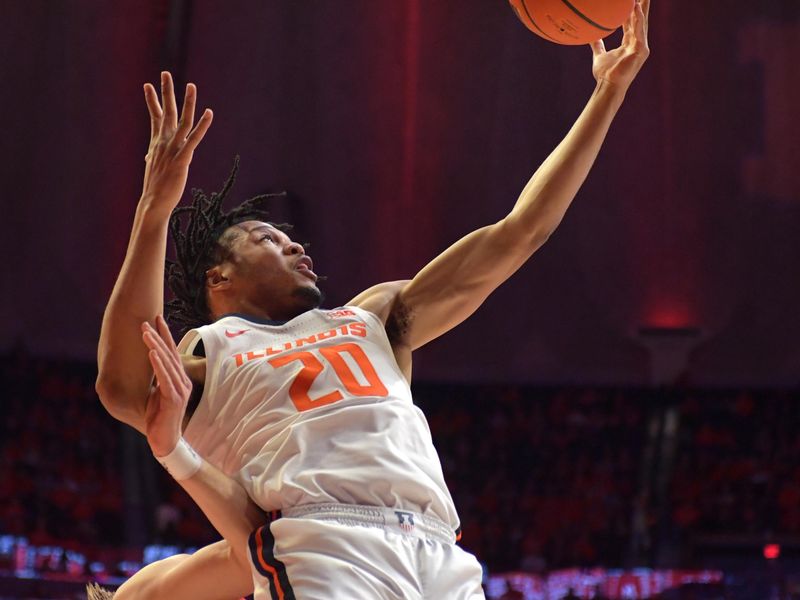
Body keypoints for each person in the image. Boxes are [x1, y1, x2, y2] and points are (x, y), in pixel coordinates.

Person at [94, 1, 650, 598]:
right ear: (219, 280)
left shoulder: (374, 317)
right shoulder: (212, 355)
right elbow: (122, 387)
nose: (296, 247)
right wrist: (154, 213)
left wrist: (607, 95)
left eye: (290, 238)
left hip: (441, 552)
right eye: (268, 240)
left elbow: (518, 233)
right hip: (325, 544)